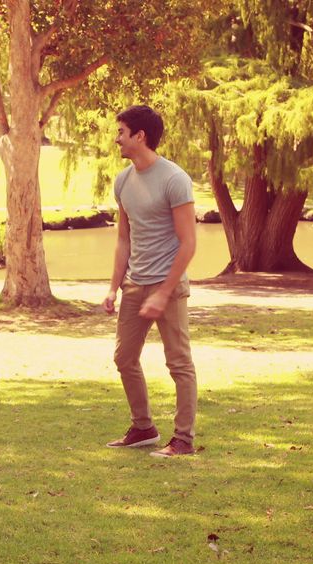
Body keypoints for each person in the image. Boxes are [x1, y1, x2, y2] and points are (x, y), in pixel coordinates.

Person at [102, 105, 198, 458]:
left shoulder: (174, 179)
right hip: (134, 285)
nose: (117, 139)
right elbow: (124, 239)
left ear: (139, 136)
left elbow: (188, 243)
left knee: (179, 364)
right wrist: (114, 286)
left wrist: (164, 291)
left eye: (122, 132)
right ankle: (143, 428)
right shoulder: (123, 180)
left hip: (168, 287)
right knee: (124, 358)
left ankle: (184, 440)